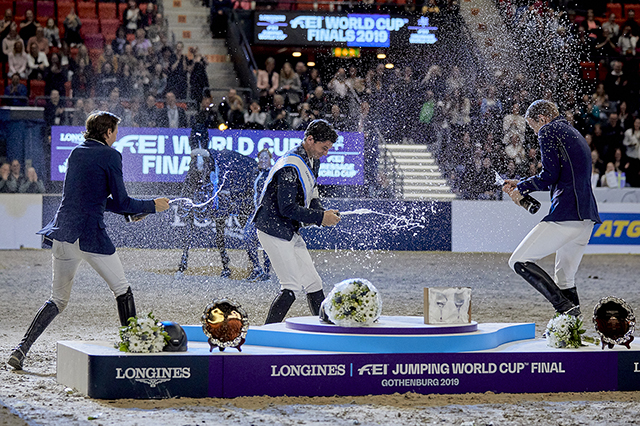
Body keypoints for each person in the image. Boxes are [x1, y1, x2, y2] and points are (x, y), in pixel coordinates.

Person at [7, 111, 170, 370]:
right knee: (122, 289)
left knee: (57, 300)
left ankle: (21, 349)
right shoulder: (111, 155)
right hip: (90, 236)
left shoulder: (76, 153)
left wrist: (132, 212)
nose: (117, 136)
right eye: (115, 131)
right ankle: (133, 347)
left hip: (63, 234)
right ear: (107, 133)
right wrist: (152, 205)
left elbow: (96, 199)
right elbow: (123, 201)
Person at [502, 100, 600, 318]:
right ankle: (570, 329)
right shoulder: (573, 132)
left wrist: (522, 188)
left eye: (533, 126)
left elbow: (549, 176)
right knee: (565, 279)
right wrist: (522, 185)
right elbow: (559, 175)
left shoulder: (548, 130)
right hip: (586, 219)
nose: (535, 132)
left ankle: (565, 309)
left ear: (543, 119)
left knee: (518, 261)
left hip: (566, 214)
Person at [252, 119, 341, 323]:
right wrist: (320, 218)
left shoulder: (312, 161)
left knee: (313, 282)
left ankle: (327, 330)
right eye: (324, 147)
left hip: (287, 229)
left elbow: (313, 193)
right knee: (290, 288)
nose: (325, 153)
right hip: (272, 230)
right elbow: (287, 208)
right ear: (310, 140)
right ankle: (266, 335)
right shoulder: (290, 167)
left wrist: (322, 212)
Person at [244, 149, 272, 281]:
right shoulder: (255, 174)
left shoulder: (272, 175)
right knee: (248, 237)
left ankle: (266, 271)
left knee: (266, 242)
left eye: (266, 158)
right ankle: (256, 268)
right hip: (254, 214)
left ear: (270, 160)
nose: (263, 160)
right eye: (261, 158)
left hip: (267, 216)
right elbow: (247, 192)